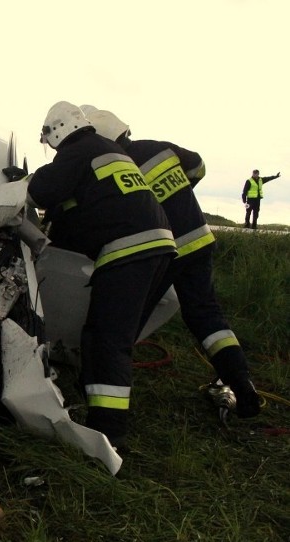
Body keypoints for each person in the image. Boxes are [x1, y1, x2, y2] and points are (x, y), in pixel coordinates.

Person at [85, 107, 261, 418]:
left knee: (123, 327)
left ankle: (104, 396)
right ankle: (244, 390)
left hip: (161, 250)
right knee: (208, 318)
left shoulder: (117, 166)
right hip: (198, 239)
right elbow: (198, 167)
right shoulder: (160, 149)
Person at [26, 101, 177, 449]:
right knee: (101, 335)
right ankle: (99, 413)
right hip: (157, 248)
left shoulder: (78, 150)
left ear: (58, 130)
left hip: (129, 250)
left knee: (110, 340)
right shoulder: (106, 150)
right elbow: (85, 211)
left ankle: (110, 433)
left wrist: (22, 182)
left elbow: (42, 191)